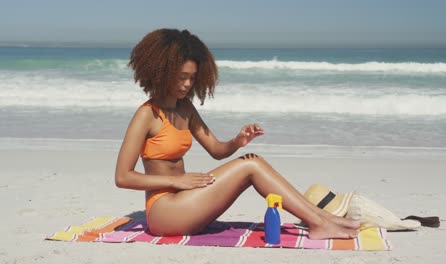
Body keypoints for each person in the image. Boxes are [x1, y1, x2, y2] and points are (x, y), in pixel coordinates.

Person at [114, 28, 359, 239]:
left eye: (192, 78)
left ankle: (322, 217)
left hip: (186, 200)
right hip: (164, 213)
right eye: (181, 77)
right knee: (250, 166)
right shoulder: (146, 114)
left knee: (252, 160)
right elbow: (123, 177)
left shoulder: (185, 108)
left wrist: (238, 141)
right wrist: (176, 181)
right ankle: (319, 223)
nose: (187, 84)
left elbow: (217, 151)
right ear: (162, 73)